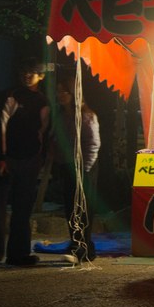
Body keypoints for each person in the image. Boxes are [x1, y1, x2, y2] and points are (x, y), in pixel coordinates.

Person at [0, 57, 51, 268]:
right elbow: (0, 127)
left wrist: (40, 158)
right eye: (24, 70)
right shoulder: (10, 95)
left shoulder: (43, 100)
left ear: (41, 76)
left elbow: (44, 131)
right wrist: (1, 157)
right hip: (8, 159)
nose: (27, 75)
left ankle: (19, 253)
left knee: (23, 209)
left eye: (32, 72)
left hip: (30, 159)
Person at [52, 73, 101, 263]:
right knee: (70, 207)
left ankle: (81, 247)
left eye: (64, 91)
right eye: (58, 92)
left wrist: (85, 168)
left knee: (83, 208)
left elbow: (93, 143)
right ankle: (82, 246)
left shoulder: (86, 115)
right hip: (66, 165)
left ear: (73, 94)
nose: (60, 95)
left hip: (84, 167)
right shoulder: (60, 115)